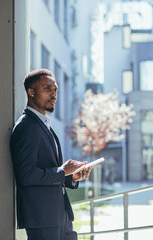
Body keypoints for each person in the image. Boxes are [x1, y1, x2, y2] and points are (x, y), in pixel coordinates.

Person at [10, 69, 93, 240]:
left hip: (60, 215)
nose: (54, 94)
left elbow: (48, 169)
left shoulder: (43, 124)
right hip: (42, 218)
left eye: (55, 90)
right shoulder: (26, 127)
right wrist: (62, 172)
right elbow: (26, 175)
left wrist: (72, 177)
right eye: (47, 89)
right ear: (31, 92)